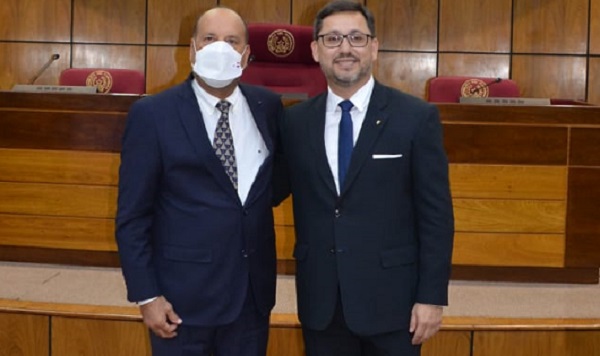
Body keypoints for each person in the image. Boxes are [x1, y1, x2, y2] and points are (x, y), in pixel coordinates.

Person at [274, 1, 454, 355]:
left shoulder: (415, 118)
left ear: (374, 46)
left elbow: (436, 216)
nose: (345, 48)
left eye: (356, 38)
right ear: (315, 50)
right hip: (322, 304)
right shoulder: (294, 123)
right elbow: (267, 191)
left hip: (395, 305)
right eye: (333, 39)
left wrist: (432, 297)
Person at [115, 6, 283, 356]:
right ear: (192, 49)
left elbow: (272, 188)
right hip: (181, 302)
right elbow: (133, 216)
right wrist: (147, 295)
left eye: (232, 41)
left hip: (252, 298)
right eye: (210, 39)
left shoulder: (268, 107)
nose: (220, 48)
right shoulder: (152, 115)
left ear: (246, 55)